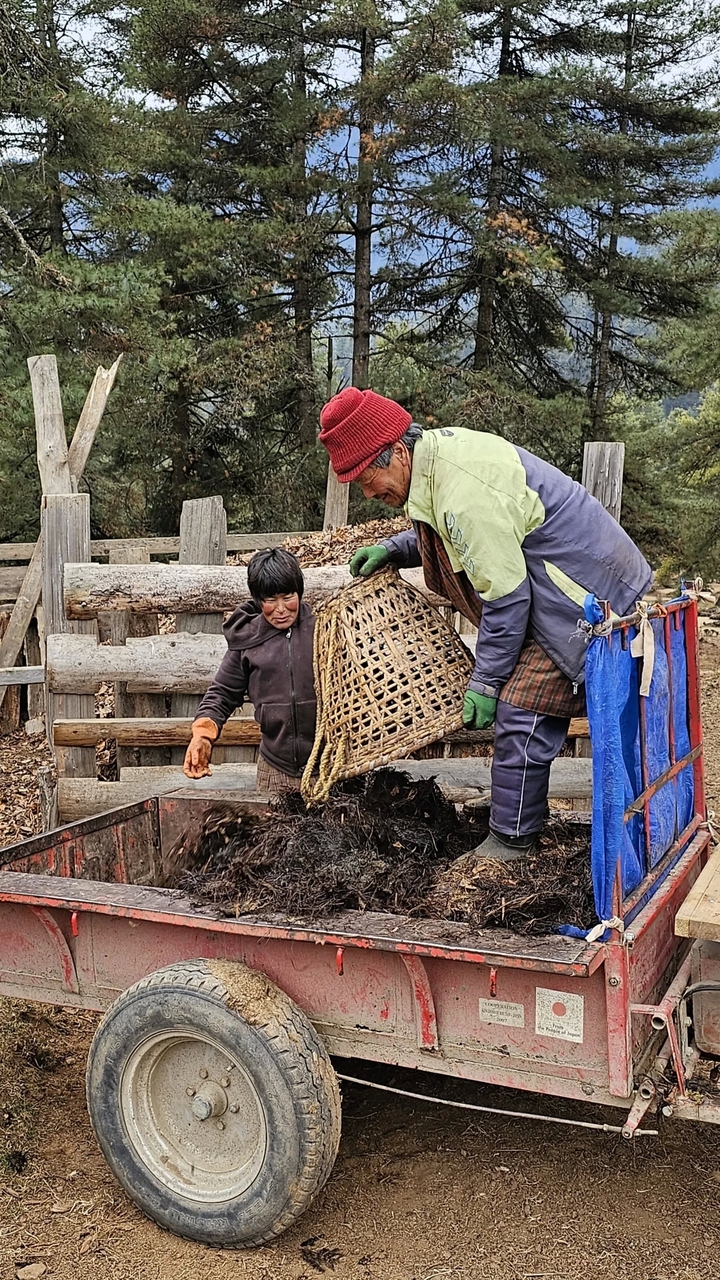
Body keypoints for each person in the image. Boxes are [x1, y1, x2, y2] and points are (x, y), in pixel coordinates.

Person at [318, 387, 653, 861]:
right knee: (520, 702)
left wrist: (487, 681)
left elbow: (507, 597)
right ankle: (517, 827)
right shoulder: (434, 463)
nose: (369, 493)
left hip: (584, 595)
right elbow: (451, 534)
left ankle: (511, 842)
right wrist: (395, 549)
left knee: (521, 708)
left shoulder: (464, 490)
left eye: (367, 479)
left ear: (396, 452)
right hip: (554, 585)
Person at [183, 548, 316, 796]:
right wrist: (203, 734)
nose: (281, 609)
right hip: (276, 769)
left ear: (299, 592)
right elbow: (222, 693)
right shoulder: (248, 639)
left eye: (288, 597)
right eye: (270, 600)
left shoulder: (321, 629)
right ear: (257, 600)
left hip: (327, 765)